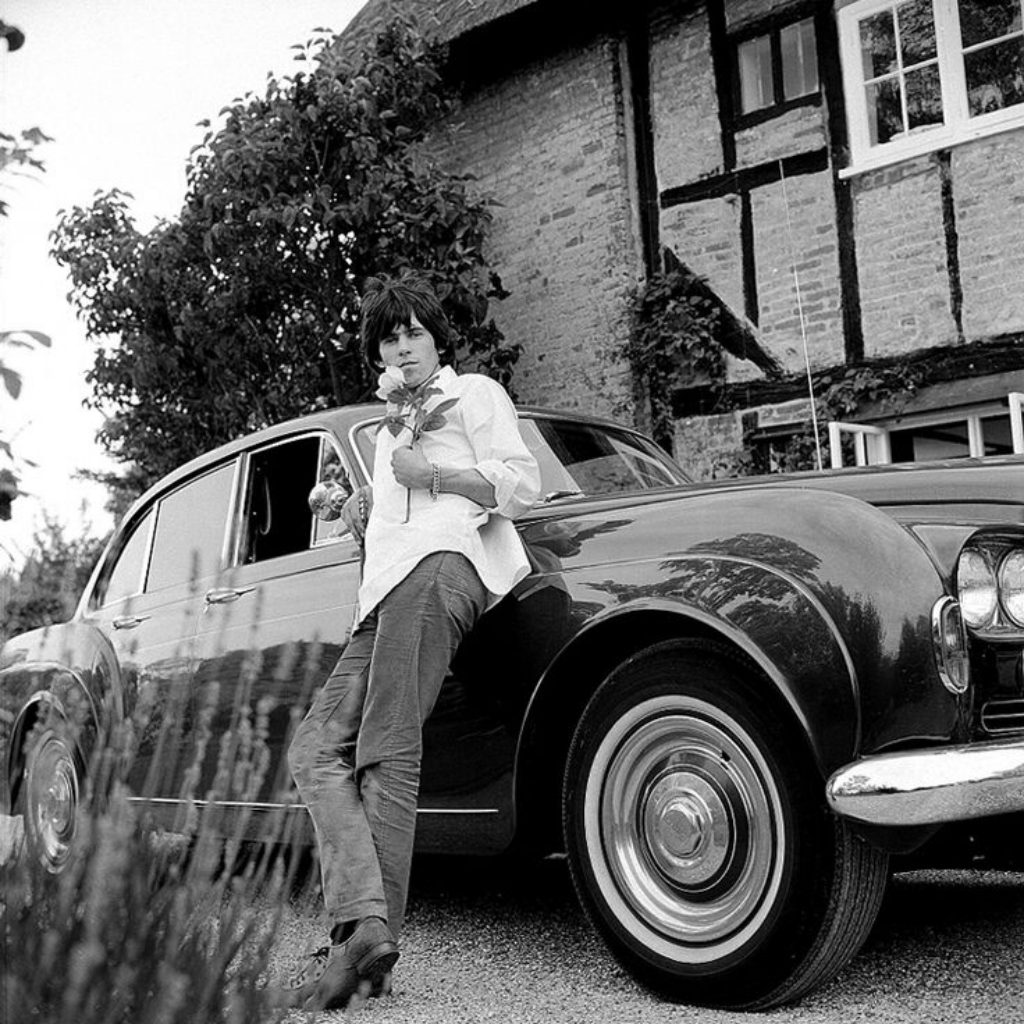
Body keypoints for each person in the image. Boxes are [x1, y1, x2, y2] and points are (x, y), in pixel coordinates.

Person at [284, 274, 541, 1010]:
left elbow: (522, 486)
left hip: (440, 572)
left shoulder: (475, 395)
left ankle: (360, 950)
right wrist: (365, 509)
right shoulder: (390, 427)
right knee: (313, 749)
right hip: (386, 591)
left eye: (414, 334)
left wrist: (433, 472)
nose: (403, 348)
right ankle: (366, 930)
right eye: (390, 339)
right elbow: (396, 516)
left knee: (385, 753)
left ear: (437, 339)